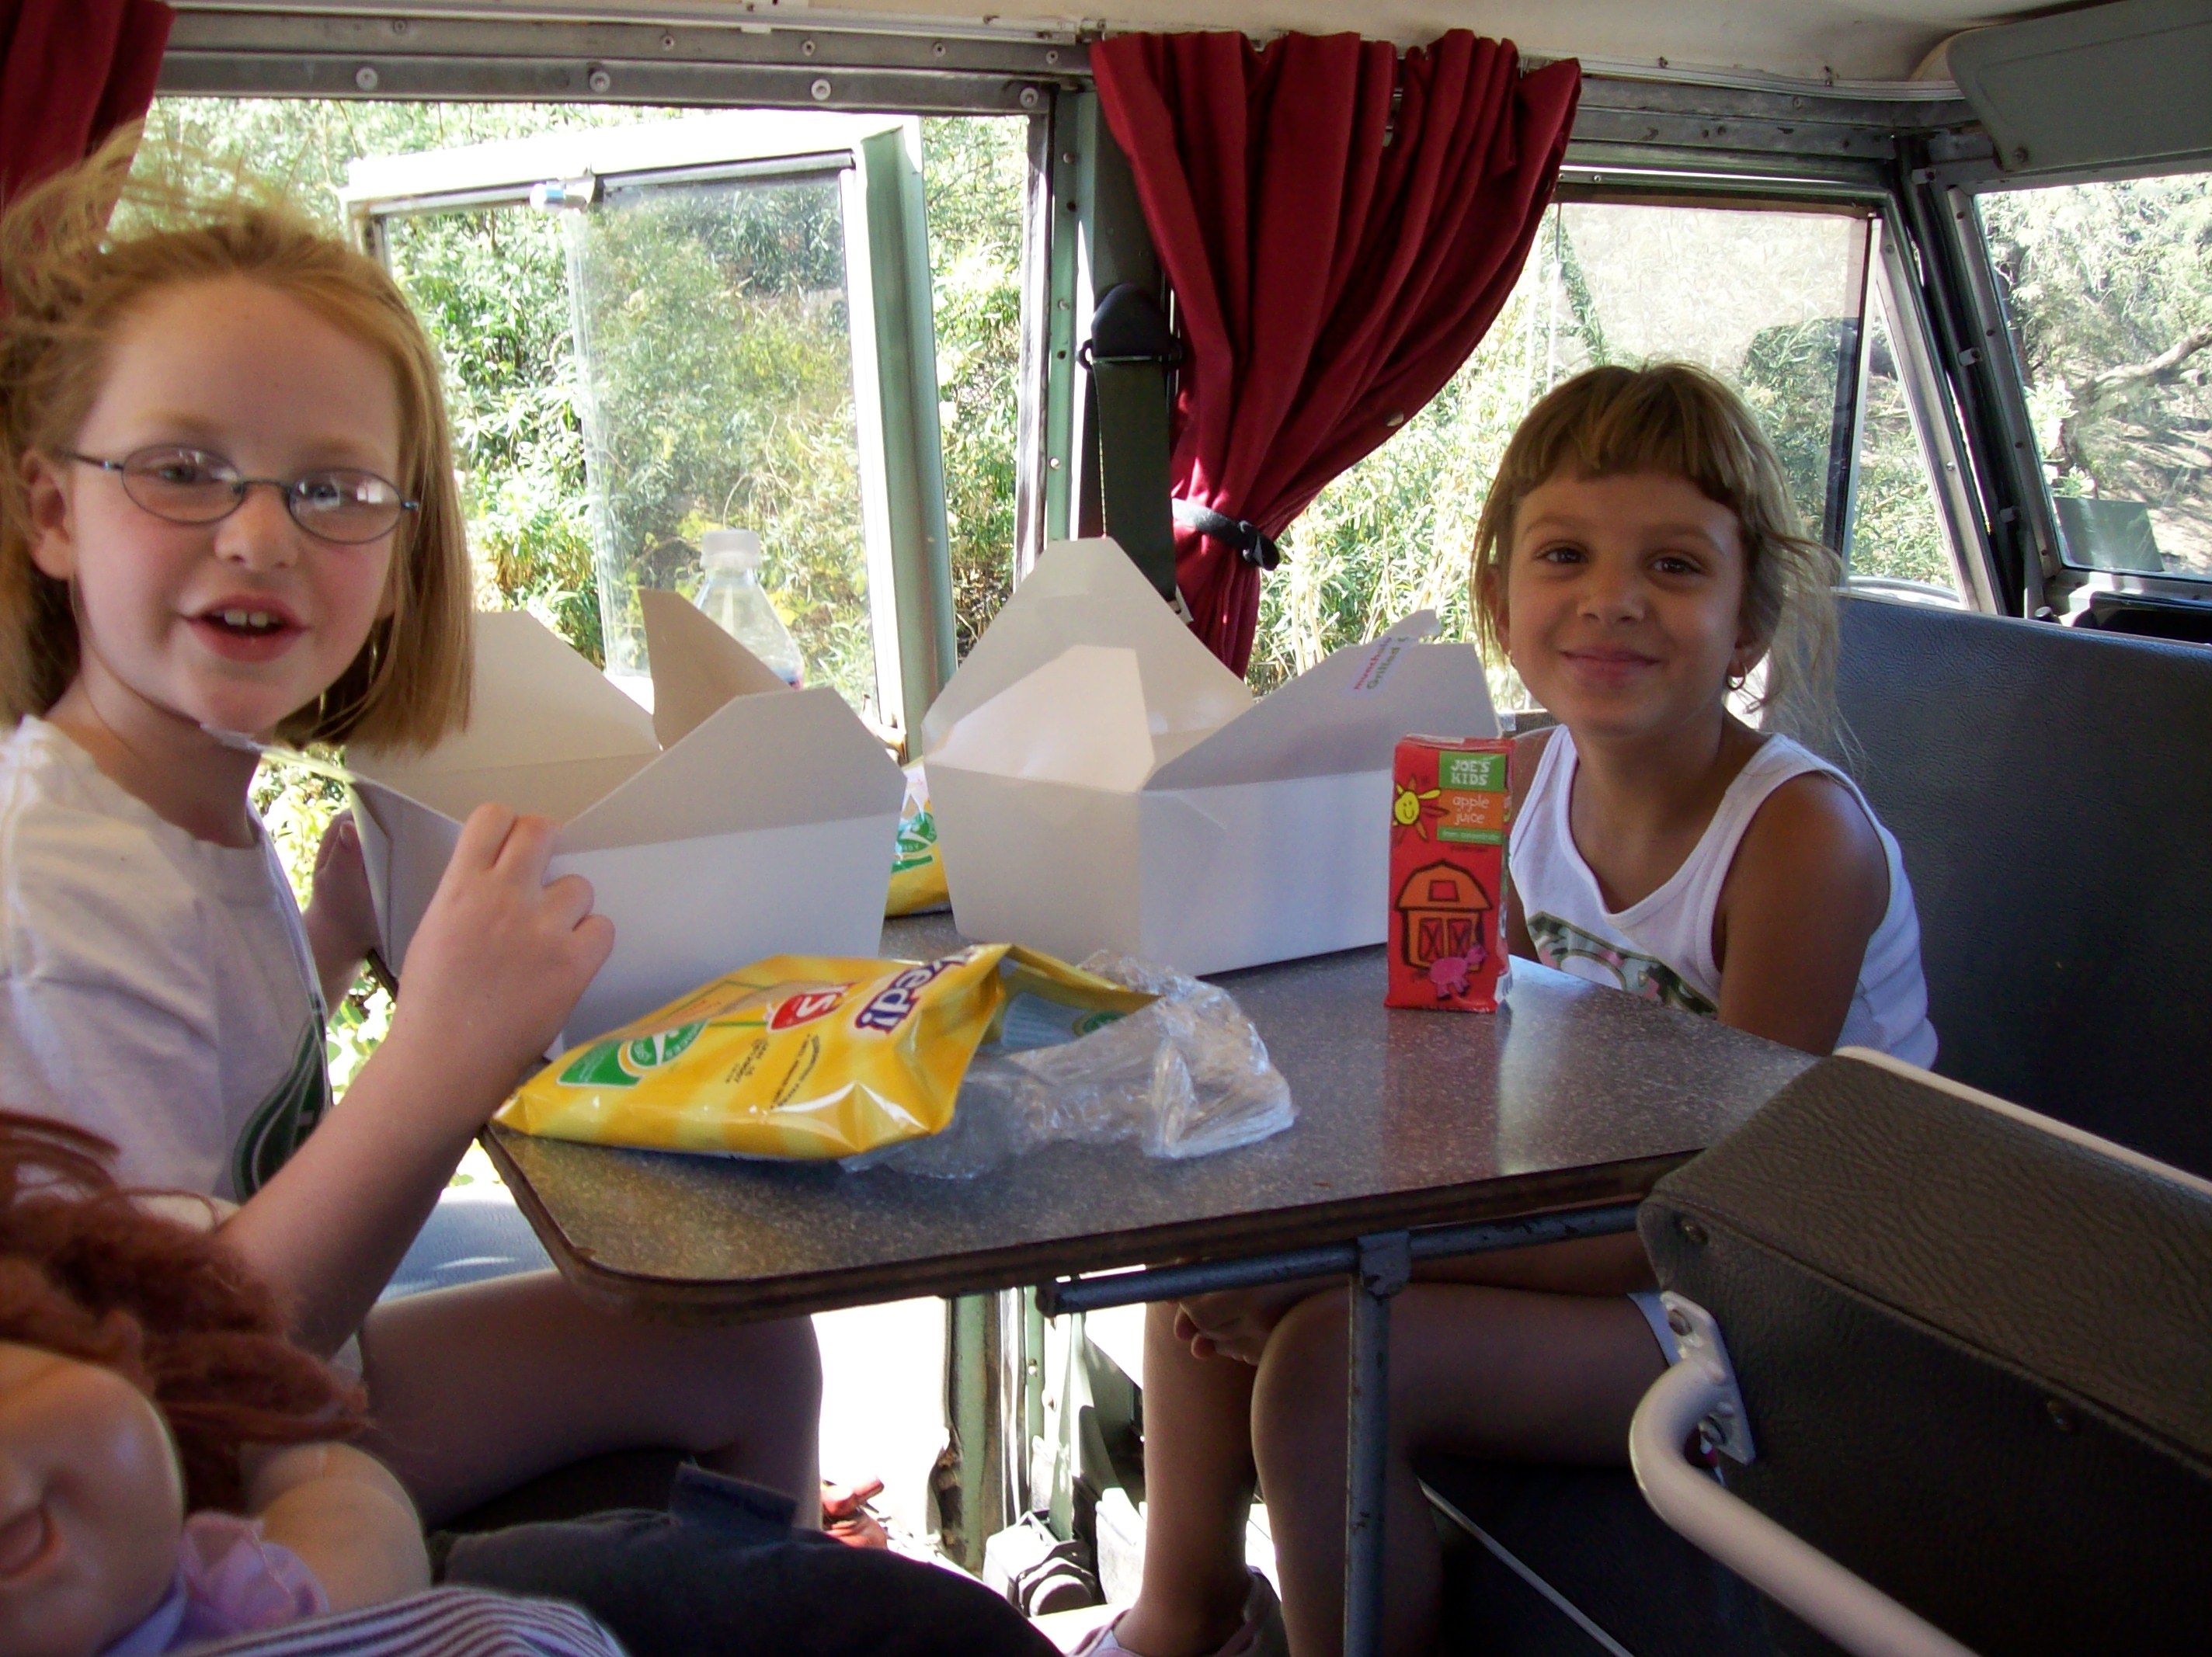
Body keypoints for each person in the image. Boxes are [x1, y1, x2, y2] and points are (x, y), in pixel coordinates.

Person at [0, 130, 821, 1530]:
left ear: (395, 558)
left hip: (287, 1381)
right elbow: (170, 1374)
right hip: (186, 1481)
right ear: (52, 513)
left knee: (751, 1342)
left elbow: (206, 1107)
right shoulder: (52, 898)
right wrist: (448, 1049)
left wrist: (327, 945)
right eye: (183, 468)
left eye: (331, 488)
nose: (261, 533)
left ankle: (768, 1593)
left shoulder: (168, 807)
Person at [1086, 363, 1937, 1657]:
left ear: (1748, 624)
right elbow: (1474, 1065)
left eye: (1673, 566)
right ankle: (1184, 1620)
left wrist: (1375, 1262)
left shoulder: (1797, 844)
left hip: (1779, 1313)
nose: (1613, 598)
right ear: (1501, 598)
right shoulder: (1512, 783)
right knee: (1221, 1249)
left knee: (1326, 1367)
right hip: (1614, 1218)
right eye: (1565, 554)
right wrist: (1301, 1228)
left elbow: (1720, 1222)